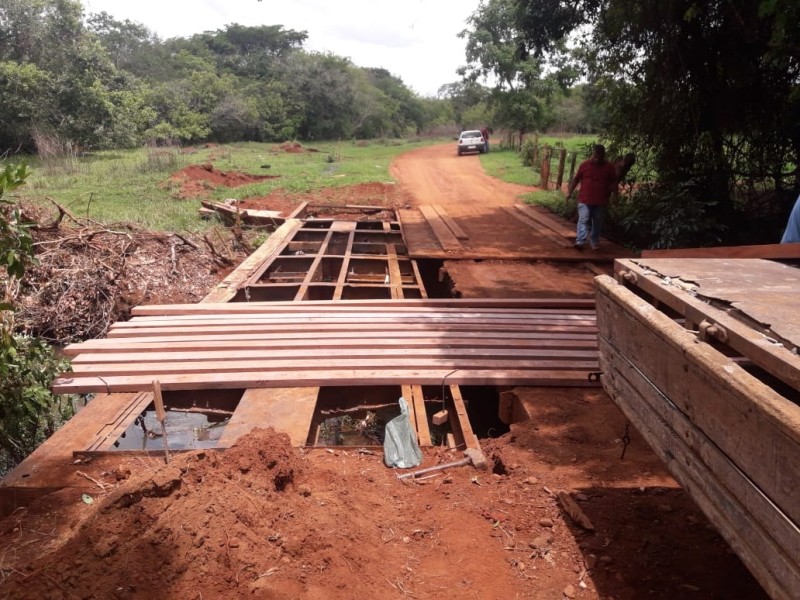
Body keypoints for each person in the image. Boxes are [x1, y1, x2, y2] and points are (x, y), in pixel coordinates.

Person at [566, 144, 619, 251]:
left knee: (598, 222)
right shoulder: (584, 165)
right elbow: (576, 179)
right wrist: (569, 192)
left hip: (600, 200)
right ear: (592, 154)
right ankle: (580, 241)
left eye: (600, 157)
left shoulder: (609, 167)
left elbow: (613, 182)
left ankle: (594, 241)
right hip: (585, 199)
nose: (597, 159)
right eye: (595, 156)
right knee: (583, 219)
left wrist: (615, 196)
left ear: (604, 156)